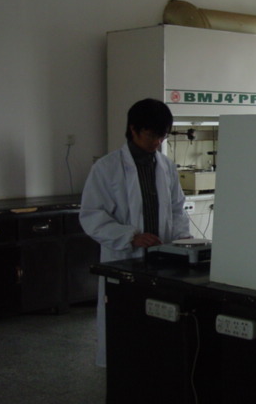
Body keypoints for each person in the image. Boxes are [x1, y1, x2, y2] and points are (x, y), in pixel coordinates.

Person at [80, 98, 191, 368]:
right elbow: (92, 216)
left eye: (162, 136)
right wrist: (131, 236)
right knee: (126, 322)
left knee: (160, 321)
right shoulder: (106, 168)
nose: (157, 142)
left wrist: (182, 238)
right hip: (124, 258)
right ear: (133, 129)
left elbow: (177, 208)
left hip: (162, 259)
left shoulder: (166, 166)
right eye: (152, 135)